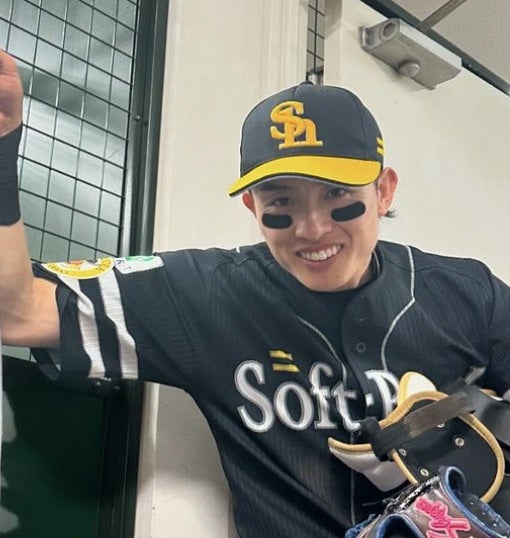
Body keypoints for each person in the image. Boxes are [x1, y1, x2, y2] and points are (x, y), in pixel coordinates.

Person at [0, 47, 509, 538]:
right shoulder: (207, 295)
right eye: (282, 203)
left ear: (383, 191)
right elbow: (18, 312)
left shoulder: (468, 294)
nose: (312, 229)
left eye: (337, 195)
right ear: (252, 207)